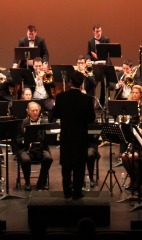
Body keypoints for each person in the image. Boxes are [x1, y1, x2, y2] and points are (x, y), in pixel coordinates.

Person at [51, 71, 96, 199]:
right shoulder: (87, 99)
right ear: (82, 83)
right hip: (81, 136)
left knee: (66, 164)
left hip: (66, 135)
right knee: (79, 164)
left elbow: (56, 114)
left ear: (70, 81)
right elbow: (91, 118)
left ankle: (66, 192)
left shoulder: (61, 97)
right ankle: (77, 192)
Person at [15, 101, 53, 191]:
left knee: (48, 158)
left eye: (37, 110)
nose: (35, 112)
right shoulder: (22, 123)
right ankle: (27, 182)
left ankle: (41, 181)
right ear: (28, 112)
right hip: (27, 148)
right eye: (33, 110)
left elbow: (50, 139)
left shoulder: (44, 122)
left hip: (41, 148)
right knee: (25, 160)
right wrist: (26, 140)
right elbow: (17, 139)